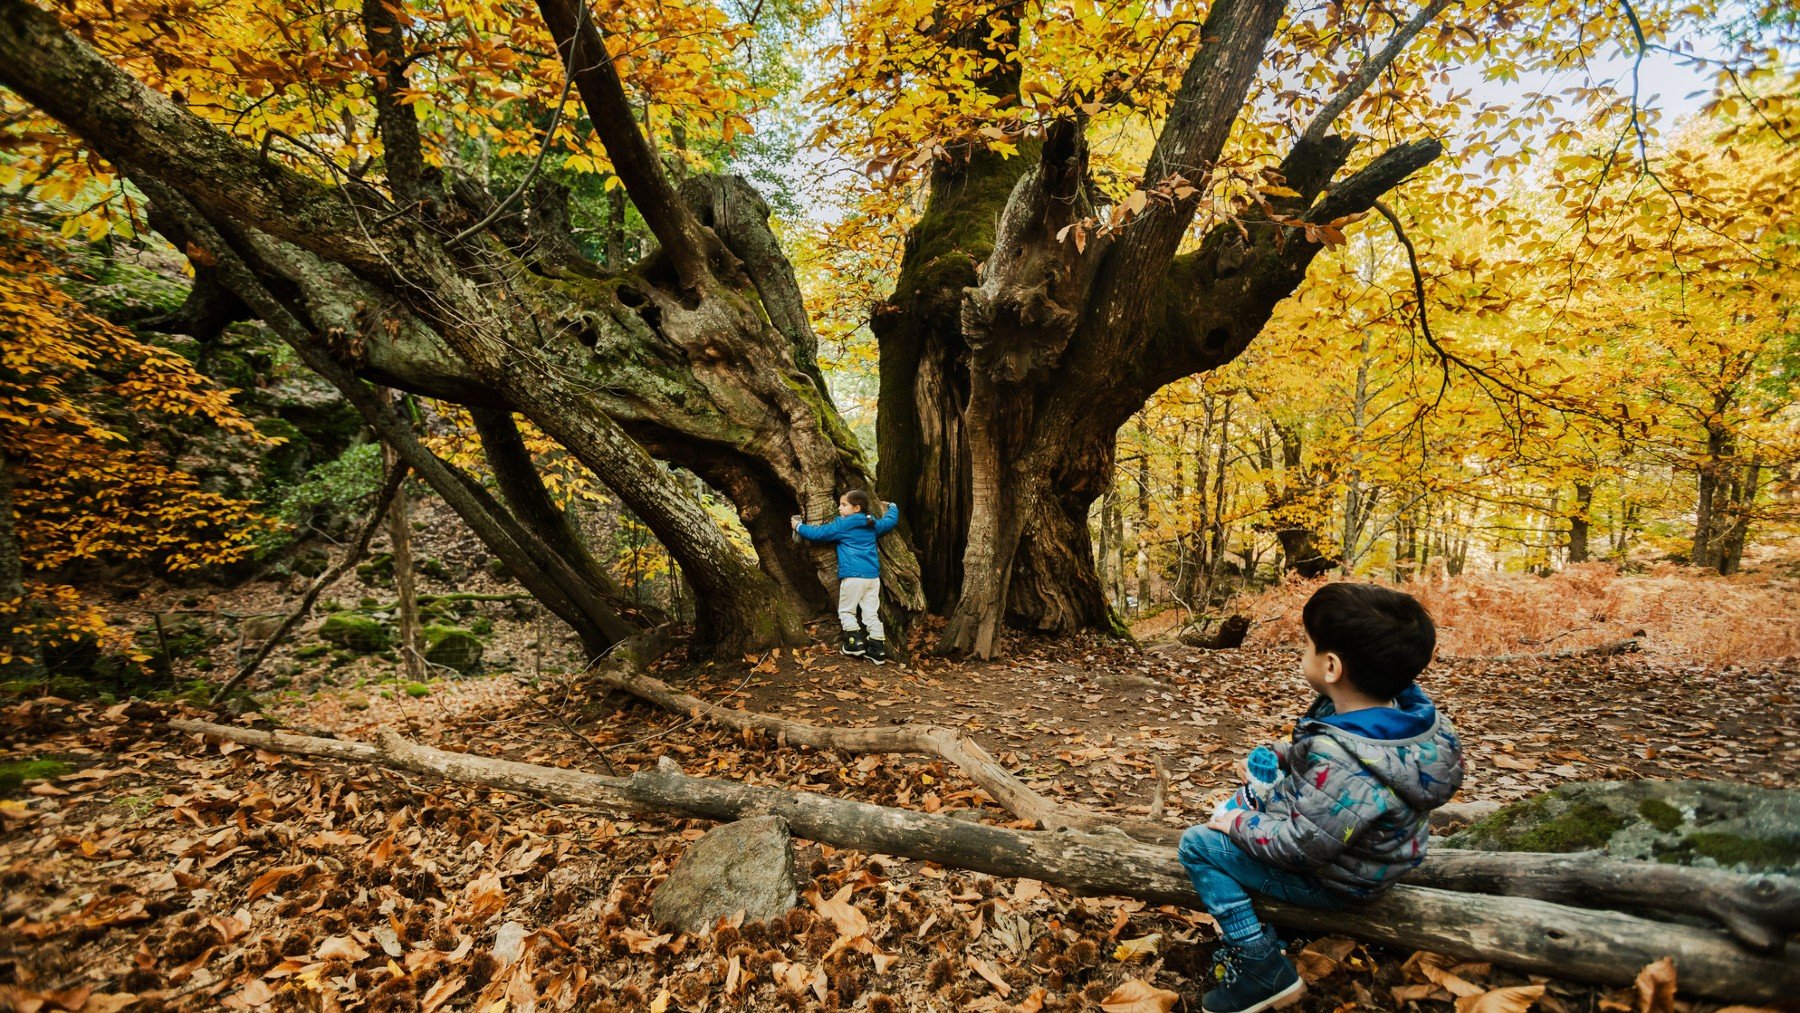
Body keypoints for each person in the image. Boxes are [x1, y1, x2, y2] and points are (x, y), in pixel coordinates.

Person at [1177, 583, 1464, 1013]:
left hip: (1337, 880)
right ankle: (1283, 927)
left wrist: (1236, 824)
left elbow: (1299, 845)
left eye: (1305, 644)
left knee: (1198, 845)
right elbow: (1330, 772)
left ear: (1331, 666)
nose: (1302, 652)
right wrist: (1284, 755)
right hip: (1372, 858)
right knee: (1252, 808)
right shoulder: (1402, 718)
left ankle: (1259, 964)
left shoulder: (1346, 757)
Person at [791, 490, 900, 663]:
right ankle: (877, 650)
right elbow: (889, 521)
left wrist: (798, 526)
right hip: (872, 577)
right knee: (871, 613)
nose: (839, 508)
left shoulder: (842, 525)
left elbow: (818, 534)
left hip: (853, 576)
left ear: (856, 508)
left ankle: (854, 644)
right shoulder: (871, 523)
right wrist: (892, 506)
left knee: (846, 611)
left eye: (844, 505)